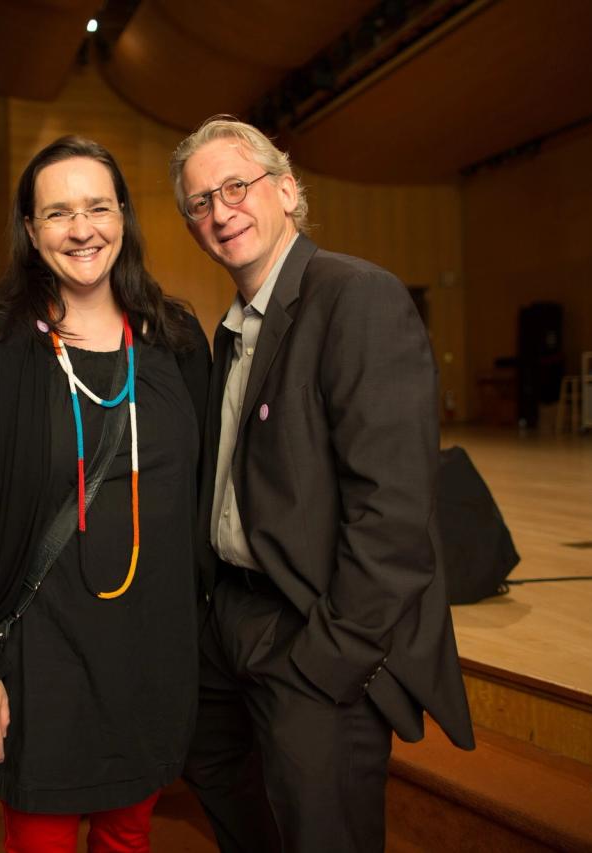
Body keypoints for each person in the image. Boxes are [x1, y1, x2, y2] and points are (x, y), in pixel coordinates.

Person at [169, 116, 475, 852]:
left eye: (235, 186)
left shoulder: (355, 297)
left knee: (323, 829)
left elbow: (394, 514)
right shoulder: (233, 326)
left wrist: (330, 657)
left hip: (312, 628)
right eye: (200, 202)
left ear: (286, 189)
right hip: (235, 617)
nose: (219, 211)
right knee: (208, 760)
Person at [0, 136, 209, 853]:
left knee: (128, 837)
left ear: (123, 216)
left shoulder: (176, 338)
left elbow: (203, 498)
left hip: (153, 657)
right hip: (42, 663)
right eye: (58, 212)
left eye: (98, 207)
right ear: (30, 230)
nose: (81, 228)